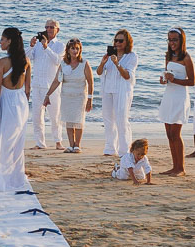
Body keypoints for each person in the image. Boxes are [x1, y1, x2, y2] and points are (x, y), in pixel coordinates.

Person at [0, 27, 32, 191]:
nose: (0, 42)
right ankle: (15, 176)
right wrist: (23, 103)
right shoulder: (26, 61)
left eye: (2, 39)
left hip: (6, 102)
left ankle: (1, 175)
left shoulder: (1, 62)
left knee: (2, 139)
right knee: (17, 141)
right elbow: (28, 89)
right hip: (21, 102)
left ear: (10, 41)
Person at [42, 37, 92, 153]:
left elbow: (90, 81)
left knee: (79, 121)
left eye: (77, 49)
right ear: (68, 50)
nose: (75, 51)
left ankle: (77, 145)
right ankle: (71, 145)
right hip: (66, 96)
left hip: (80, 96)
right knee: (68, 120)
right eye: (73, 48)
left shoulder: (84, 63)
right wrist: (47, 95)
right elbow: (56, 81)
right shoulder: (63, 64)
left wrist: (90, 99)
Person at [157, 28, 195, 176]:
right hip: (169, 95)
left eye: (175, 40)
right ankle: (174, 166)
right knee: (169, 134)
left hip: (180, 96)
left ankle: (181, 168)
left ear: (181, 40)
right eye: (170, 39)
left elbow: (192, 81)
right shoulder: (168, 56)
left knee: (175, 132)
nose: (172, 43)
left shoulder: (186, 57)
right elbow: (168, 77)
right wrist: (164, 80)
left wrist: (175, 80)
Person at [27, 18, 66, 149]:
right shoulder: (38, 44)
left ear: (57, 30)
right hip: (37, 84)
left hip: (52, 86)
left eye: (51, 27)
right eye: (47, 27)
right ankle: (40, 143)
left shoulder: (60, 45)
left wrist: (46, 47)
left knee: (55, 116)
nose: (49, 29)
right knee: (37, 116)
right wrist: (31, 45)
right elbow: (28, 57)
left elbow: (57, 61)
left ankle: (58, 141)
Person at [97, 29, 137, 157]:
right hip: (108, 89)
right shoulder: (109, 55)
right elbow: (99, 72)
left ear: (127, 42)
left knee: (121, 119)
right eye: (116, 40)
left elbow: (127, 76)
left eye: (121, 41)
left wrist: (117, 63)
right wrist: (103, 62)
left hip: (122, 90)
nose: (118, 43)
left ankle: (124, 149)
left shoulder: (131, 56)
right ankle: (110, 147)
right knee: (108, 119)